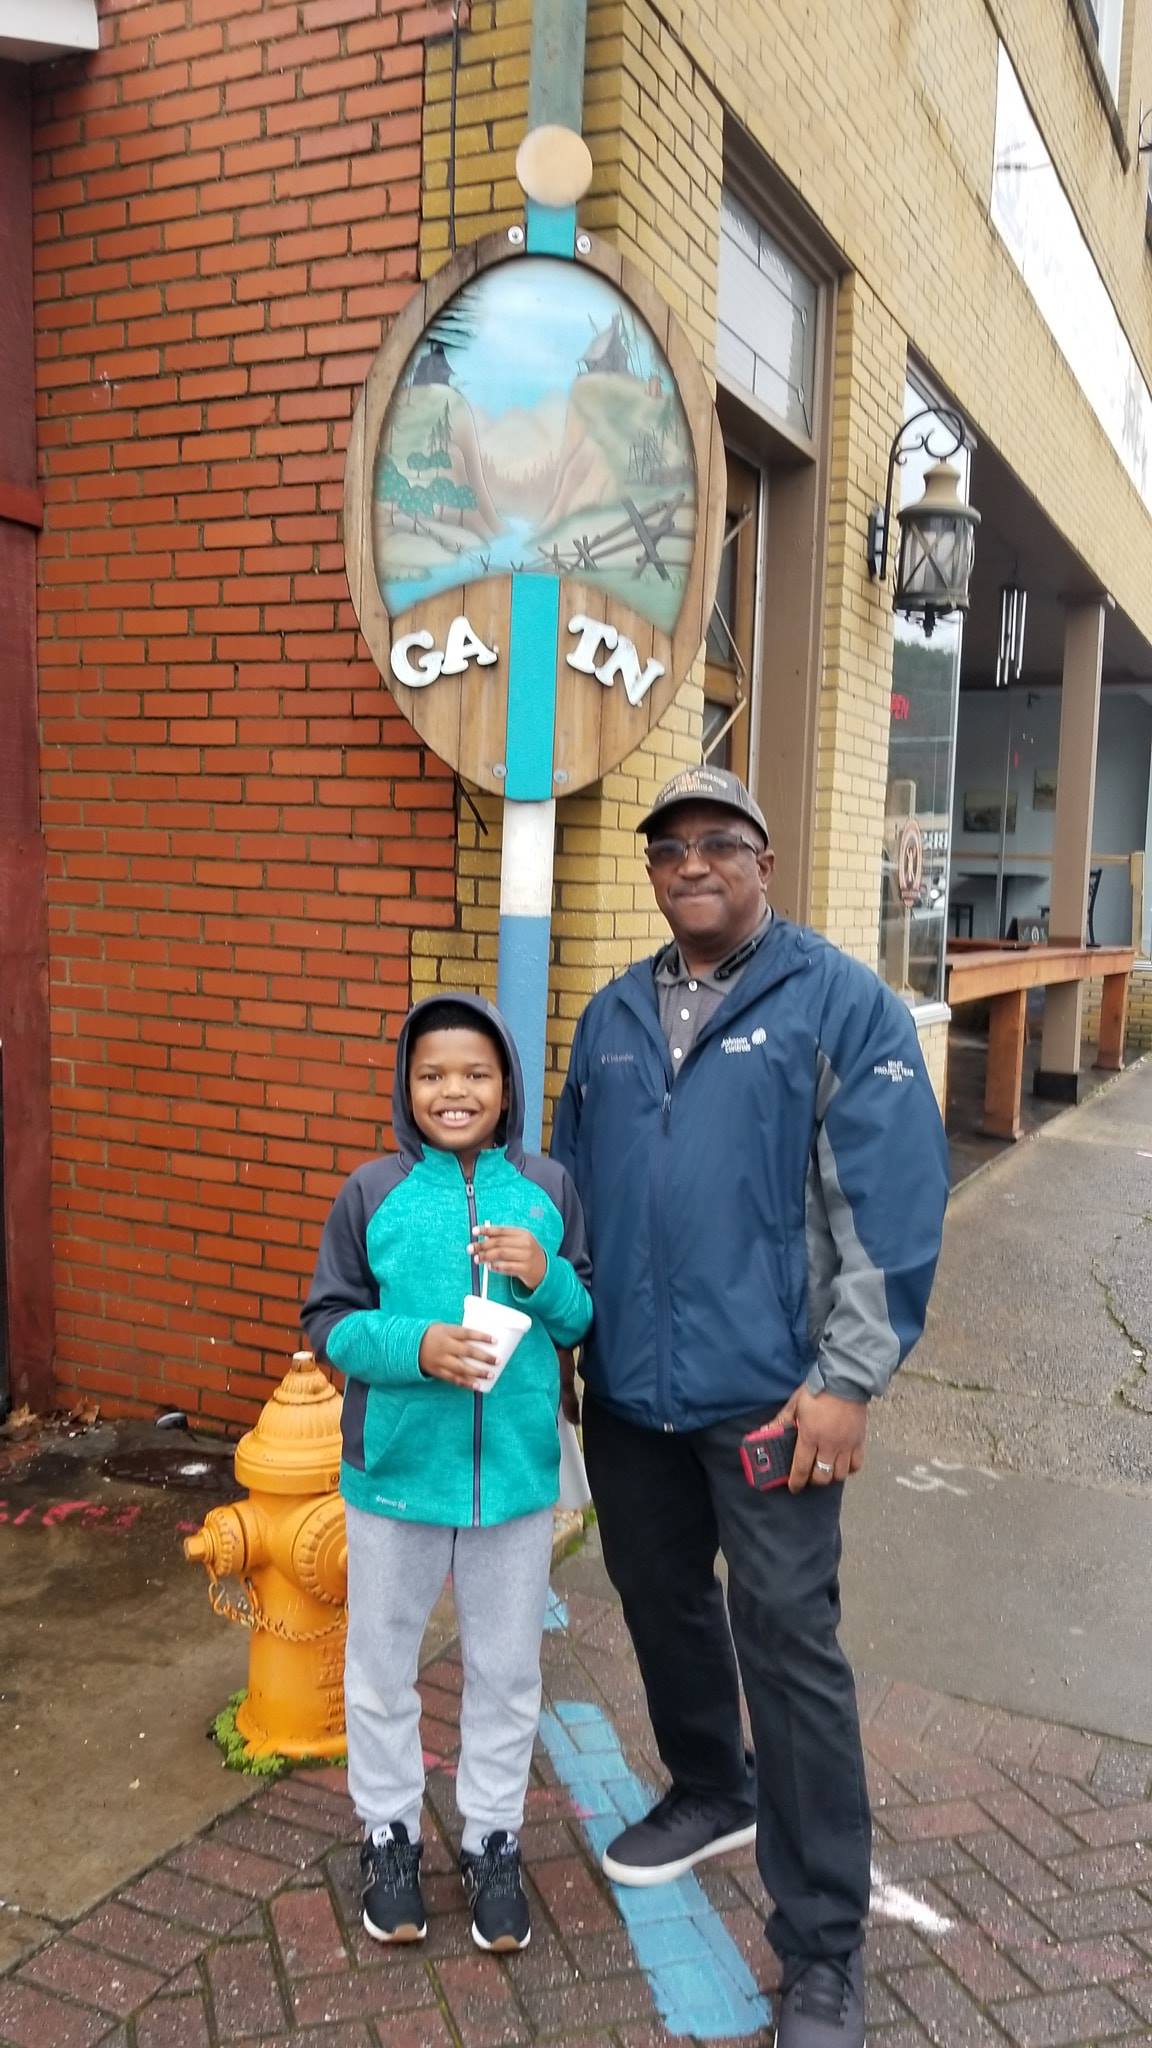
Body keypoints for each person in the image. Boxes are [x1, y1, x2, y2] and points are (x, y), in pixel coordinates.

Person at [551, 765, 950, 2048]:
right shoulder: (612, 1015)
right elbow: (575, 1197)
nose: (692, 863)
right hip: (631, 1395)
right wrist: (566, 1333)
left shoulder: (840, 1003)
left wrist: (846, 1379)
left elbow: (890, 1205)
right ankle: (710, 1785)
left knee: (788, 1647)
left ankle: (823, 1946)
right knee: (658, 1599)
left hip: (777, 1402)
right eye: (669, 847)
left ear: (764, 863)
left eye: (718, 842)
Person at [302, 994, 592, 1956]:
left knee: (507, 1672)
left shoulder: (547, 1187)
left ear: (506, 1085)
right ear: (406, 1085)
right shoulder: (372, 1192)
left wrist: (544, 1272)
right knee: (381, 1667)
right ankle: (388, 1834)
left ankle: (492, 1840)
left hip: (512, 1481)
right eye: (431, 1074)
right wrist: (417, 1347)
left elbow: (581, 1317)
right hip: (395, 1474)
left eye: (474, 1073)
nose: (452, 1091)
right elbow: (329, 1324)